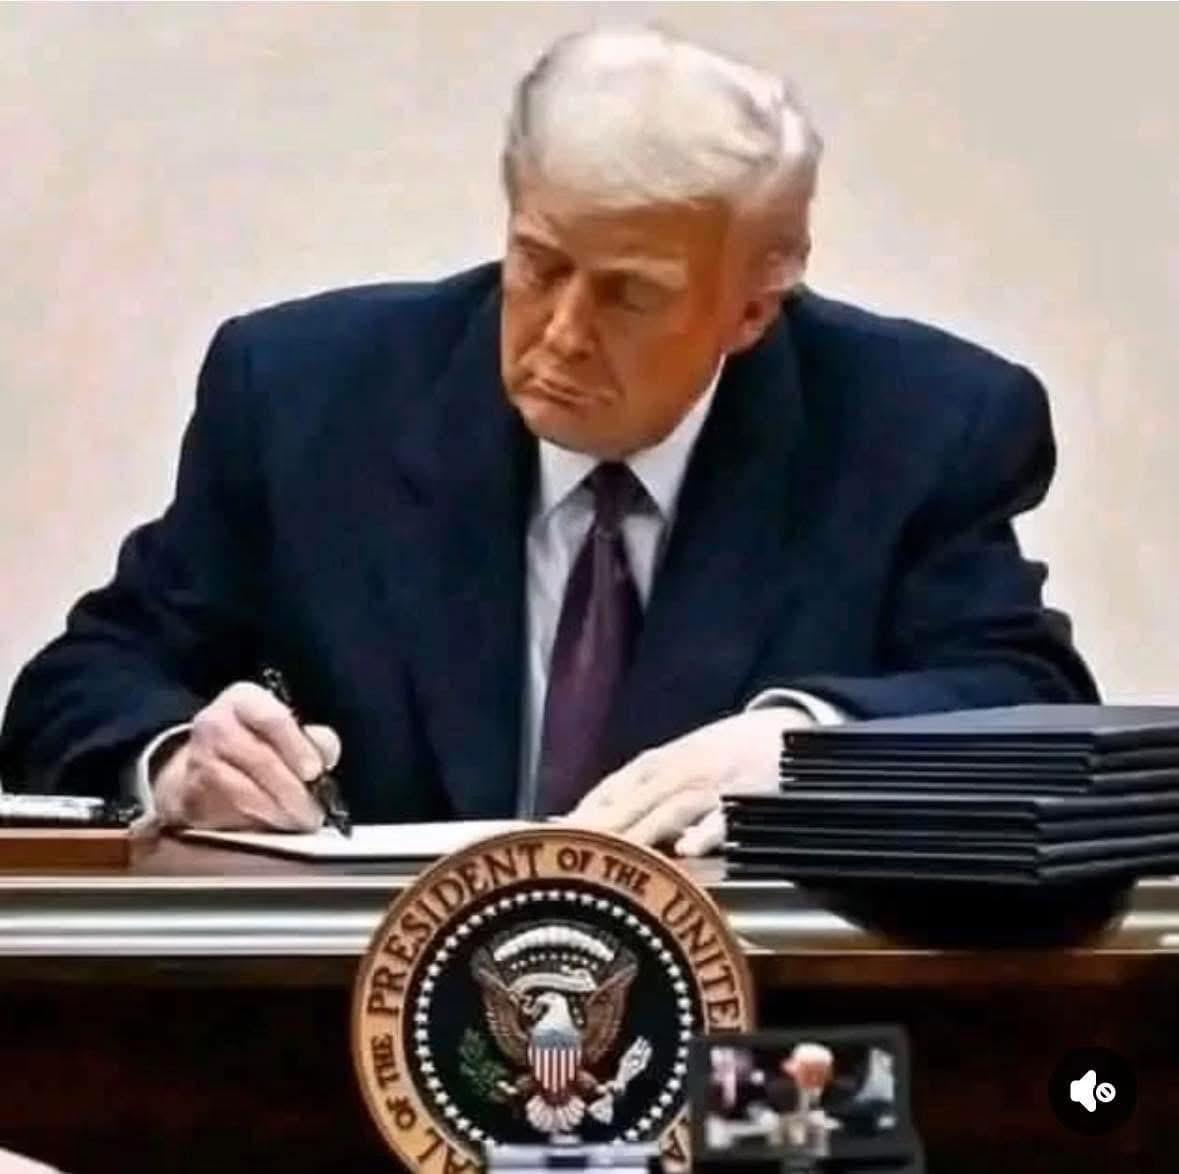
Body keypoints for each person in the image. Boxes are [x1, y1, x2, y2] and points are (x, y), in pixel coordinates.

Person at [0, 27, 1097, 854]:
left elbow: (1034, 708)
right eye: (538, 264)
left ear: (753, 308)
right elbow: (77, 685)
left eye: (629, 294)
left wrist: (805, 747)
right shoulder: (302, 397)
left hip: (746, 1029)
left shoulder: (917, 427)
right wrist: (179, 758)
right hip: (348, 1022)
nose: (561, 333)